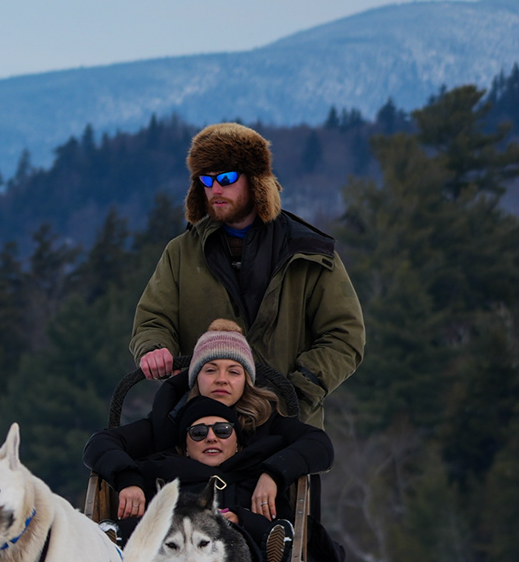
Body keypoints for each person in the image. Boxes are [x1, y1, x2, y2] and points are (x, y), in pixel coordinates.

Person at [129, 123, 365, 427]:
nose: (215, 189)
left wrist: (297, 389)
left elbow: (345, 336)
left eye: (226, 178)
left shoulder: (309, 253)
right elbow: (153, 319)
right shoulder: (181, 253)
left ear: (255, 181)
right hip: (203, 433)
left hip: (288, 433)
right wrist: (154, 347)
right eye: (206, 179)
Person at [85, 322, 334, 562]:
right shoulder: (166, 423)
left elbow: (319, 444)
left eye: (234, 371)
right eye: (210, 370)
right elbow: (100, 443)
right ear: (195, 377)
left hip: (240, 517)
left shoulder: (268, 424)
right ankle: (116, 552)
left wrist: (273, 472)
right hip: (178, 524)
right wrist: (128, 478)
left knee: (249, 532)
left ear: (246, 379)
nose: (221, 379)